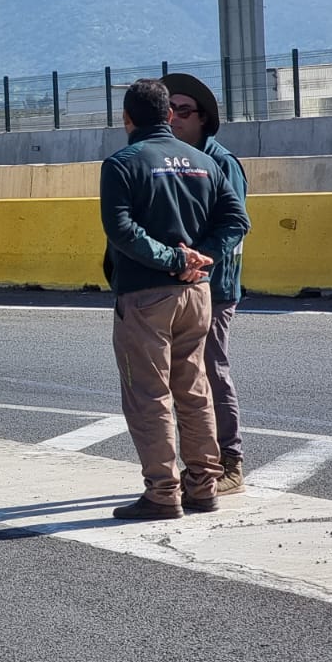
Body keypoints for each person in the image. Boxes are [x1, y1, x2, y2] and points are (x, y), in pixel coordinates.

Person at [101, 78, 249, 520]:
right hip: (198, 293)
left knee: (148, 394)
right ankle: (204, 485)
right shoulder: (205, 162)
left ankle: (163, 492)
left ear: (127, 119)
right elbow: (237, 220)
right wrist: (201, 257)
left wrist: (171, 258)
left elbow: (122, 230)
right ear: (168, 116)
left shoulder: (122, 163)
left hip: (146, 295)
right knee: (195, 388)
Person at [161, 72, 249, 496]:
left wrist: (200, 261)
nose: (174, 117)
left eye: (184, 110)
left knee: (212, 371)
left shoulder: (222, 162)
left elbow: (234, 228)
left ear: (203, 119)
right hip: (182, 285)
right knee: (184, 378)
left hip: (214, 285)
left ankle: (231, 462)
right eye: (169, 109)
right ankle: (200, 464)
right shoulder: (171, 159)